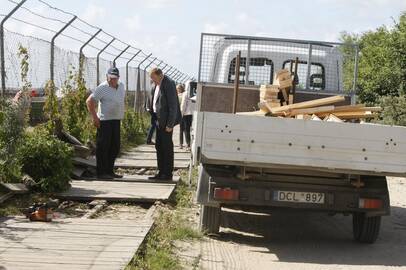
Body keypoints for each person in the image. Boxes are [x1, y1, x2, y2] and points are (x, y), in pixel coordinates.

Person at [86, 67, 125, 179]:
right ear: (107, 77)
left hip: (116, 120)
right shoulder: (102, 87)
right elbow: (89, 101)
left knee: (115, 146)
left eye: (115, 78)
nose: (113, 80)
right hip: (104, 121)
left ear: (118, 78)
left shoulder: (121, 86)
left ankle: (109, 171)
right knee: (103, 147)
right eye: (111, 78)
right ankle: (102, 172)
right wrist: (95, 118)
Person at [148, 68, 181, 180]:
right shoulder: (156, 85)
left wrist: (170, 124)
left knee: (167, 147)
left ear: (160, 75)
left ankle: (167, 173)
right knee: (159, 146)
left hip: (166, 122)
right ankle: (161, 171)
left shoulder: (168, 83)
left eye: (153, 77)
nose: (152, 80)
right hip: (158, 120)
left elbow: (173, 105)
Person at [180, 81, 195, 150]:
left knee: (186, 130)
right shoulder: (195, 93)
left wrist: (181, 114)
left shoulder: (185, 93)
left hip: (186, 114)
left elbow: (183, 105)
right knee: (193, 129)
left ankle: (188, 144)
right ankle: (192, 143)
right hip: (194, 114)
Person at [176, 84, 186, 149]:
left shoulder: (184, 95)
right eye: (177, 89)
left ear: (181, 89)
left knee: (185, 129)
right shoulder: (176, 95)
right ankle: (181, 143)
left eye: (179, 88)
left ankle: (187, 143)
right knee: (181, 129)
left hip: (184, 113)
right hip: (179, 113)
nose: (178, 90)